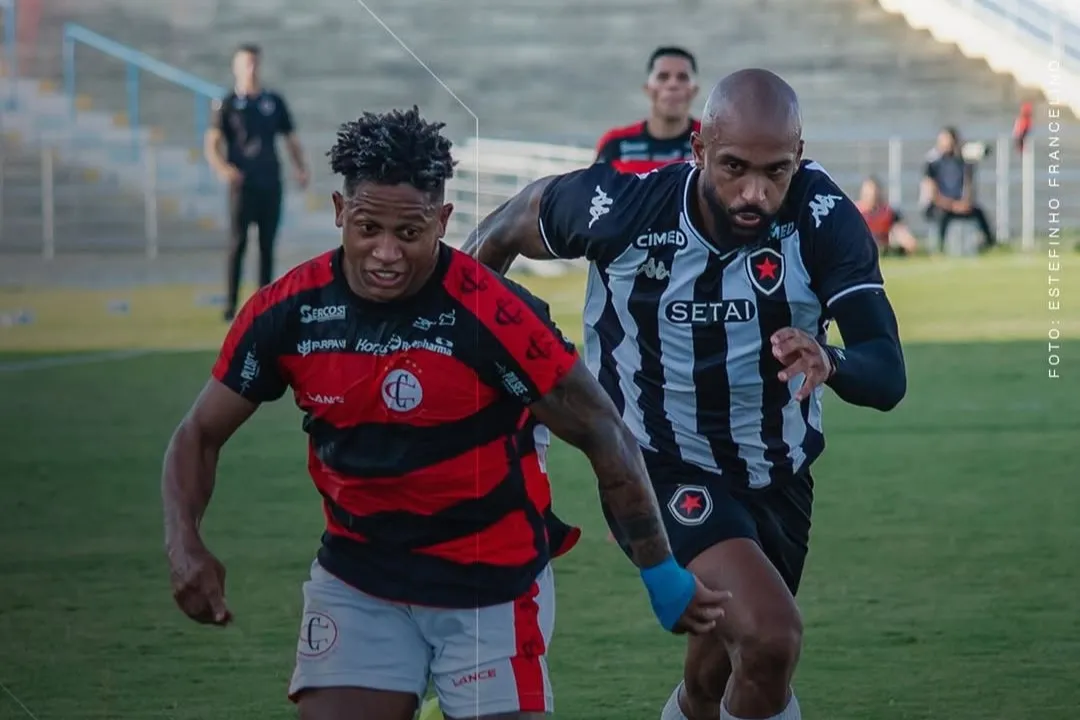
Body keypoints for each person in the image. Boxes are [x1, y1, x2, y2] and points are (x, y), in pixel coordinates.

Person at [164, 106, 728, 720]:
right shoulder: (289, 310)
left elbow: (603, 432)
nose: (386, 253)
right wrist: (184, 542)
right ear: (337, 212)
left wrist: (660, 574)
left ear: (442, 220)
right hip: (360, 581)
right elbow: (198, 433)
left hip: (491, 587)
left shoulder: (496, 315)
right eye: (366, 228)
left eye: (409, 234)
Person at [463, 69, 907, 720]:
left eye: (776, 171)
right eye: (734, 167)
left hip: (777, 475)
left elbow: (887, 371)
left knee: (713, 680)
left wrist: (831, 359)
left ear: (799, 159)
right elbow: (503, 229)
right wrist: (453, 347)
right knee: (770, 637)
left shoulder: (821, 217)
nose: (755, 192)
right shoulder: (623, 207)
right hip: (656, 463)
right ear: (698, 148)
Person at [204, 43, 311, 322]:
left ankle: (264, 303)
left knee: (267, 245)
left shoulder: (273, 101)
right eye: (245, 63)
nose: (251, 68)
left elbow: (291, 138)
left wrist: (301, 168)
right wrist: (223, 168)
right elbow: (212, 143)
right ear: (236, 67)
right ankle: (230, 305)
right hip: (242, 184)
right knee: (237, 243)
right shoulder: (227, 103)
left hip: (270, 181)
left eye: (254, 63)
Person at [594, 46, 701, 173]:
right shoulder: (615, 143)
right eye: (663, 77)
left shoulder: (711, 141)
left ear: (694, 91)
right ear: (647, 88)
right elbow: (594, 190)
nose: (673, 85)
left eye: (682, 77)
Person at [920, 126, 995, 252]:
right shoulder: (932, 163)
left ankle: (990, 245)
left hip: (959, 203)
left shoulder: (963, 162)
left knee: (979, 213)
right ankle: (939, 248)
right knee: (941, 216)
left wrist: (965, 203)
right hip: (939, 205)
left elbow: (969, 186)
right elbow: (933, 194)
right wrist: (952, 205)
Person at [855, 176, 918, 256]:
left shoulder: (889, 212)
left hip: (884, 247)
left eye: (874, 192)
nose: (872, 195)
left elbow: (907, 239)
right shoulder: (855, 212)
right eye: (869, 192)